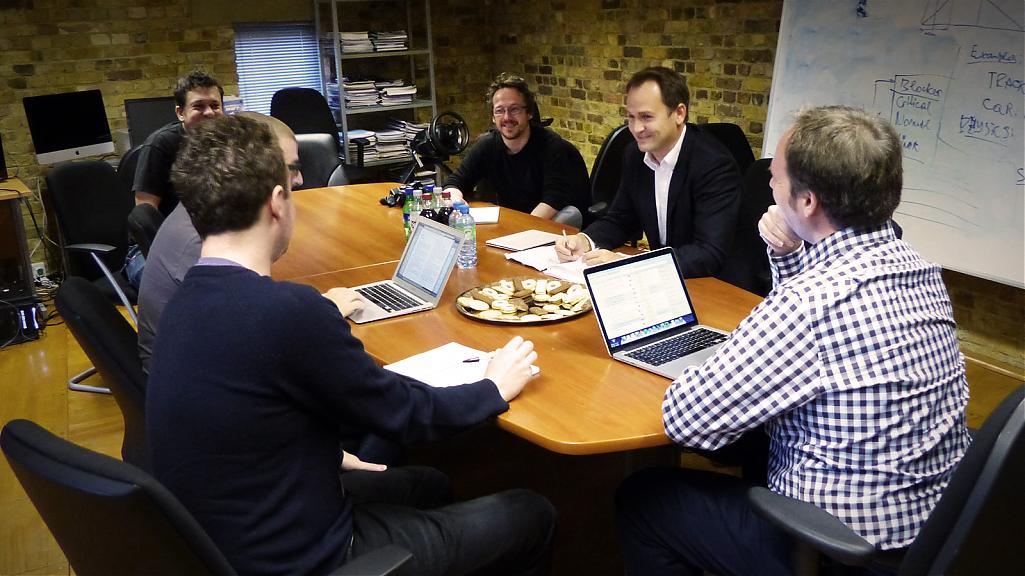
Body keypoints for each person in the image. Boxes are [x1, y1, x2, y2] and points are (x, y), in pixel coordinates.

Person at [146, 115, 556, 576]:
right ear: (277, 203)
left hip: (230, 539)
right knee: (530, 513)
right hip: (311, 556)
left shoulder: (184, 302)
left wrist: (320, 453)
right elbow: (403, 414)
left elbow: (244, 414)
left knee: (430, 483)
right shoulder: (286, 311)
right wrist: (492, 388)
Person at [615, 106, 971, 575]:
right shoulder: (920, 270)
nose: (768, 185)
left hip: (840, 549)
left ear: (807, 202)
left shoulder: (809, 304)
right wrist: (789, 254)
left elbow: (687, 421)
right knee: (754, 440)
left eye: (776, 177)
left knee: (644, 500)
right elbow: (820, 344)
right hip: (932, 528)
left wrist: (703, 365)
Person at [136, 112, 303, 372]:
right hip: (191, 372)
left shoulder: (206, 210)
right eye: (290, 168)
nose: (299, 179)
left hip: (195, 360)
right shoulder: (203, 241)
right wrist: (321, 312)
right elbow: (254, 333)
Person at [555, 66, 741, 277]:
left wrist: (630, 264)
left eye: (646, 117)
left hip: (712, 282)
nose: (636, 128)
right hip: (663, 276)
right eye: (631, 117)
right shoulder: (635, 155)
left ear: (679, 113)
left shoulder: (714, 164)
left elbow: (708, 253)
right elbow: (621, 218)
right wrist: (584, 240)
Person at [443, 73, 590, 227]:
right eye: (499, 110)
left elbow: (553, 199)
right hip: (511, 221)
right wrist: (456, 199)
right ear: (493, 116)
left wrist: (520, 228)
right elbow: (454, 182)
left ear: (529, 113)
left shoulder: (551, 145)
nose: (507, 117)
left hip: (548, 223)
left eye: (514, 109)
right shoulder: (487, 145)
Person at [133, 70, 224, 218]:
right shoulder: (160, 145)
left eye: (215, 106)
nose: (209, 112)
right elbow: (145, 211)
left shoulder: (227, 139)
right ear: (180, 113)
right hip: (180, 227)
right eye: (199, 106)